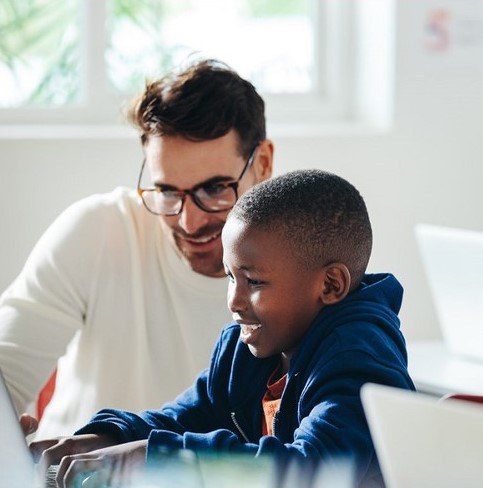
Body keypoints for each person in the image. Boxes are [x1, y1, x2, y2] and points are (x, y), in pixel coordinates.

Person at [31, 169, 415, 488]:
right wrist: (104, 438)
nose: (234, 301)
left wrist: (156, 457)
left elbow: (309, 470)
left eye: (255, 282)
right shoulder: (243, 350)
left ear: (330, 285)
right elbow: (181, 419)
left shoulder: (359, 361)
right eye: (231, 277)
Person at [0, 58, 274, 439]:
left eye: (214, 189)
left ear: (262, 163)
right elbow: (5, 372)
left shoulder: (306, 270)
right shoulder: (98, 231)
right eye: (166, 192)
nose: (189, 223)